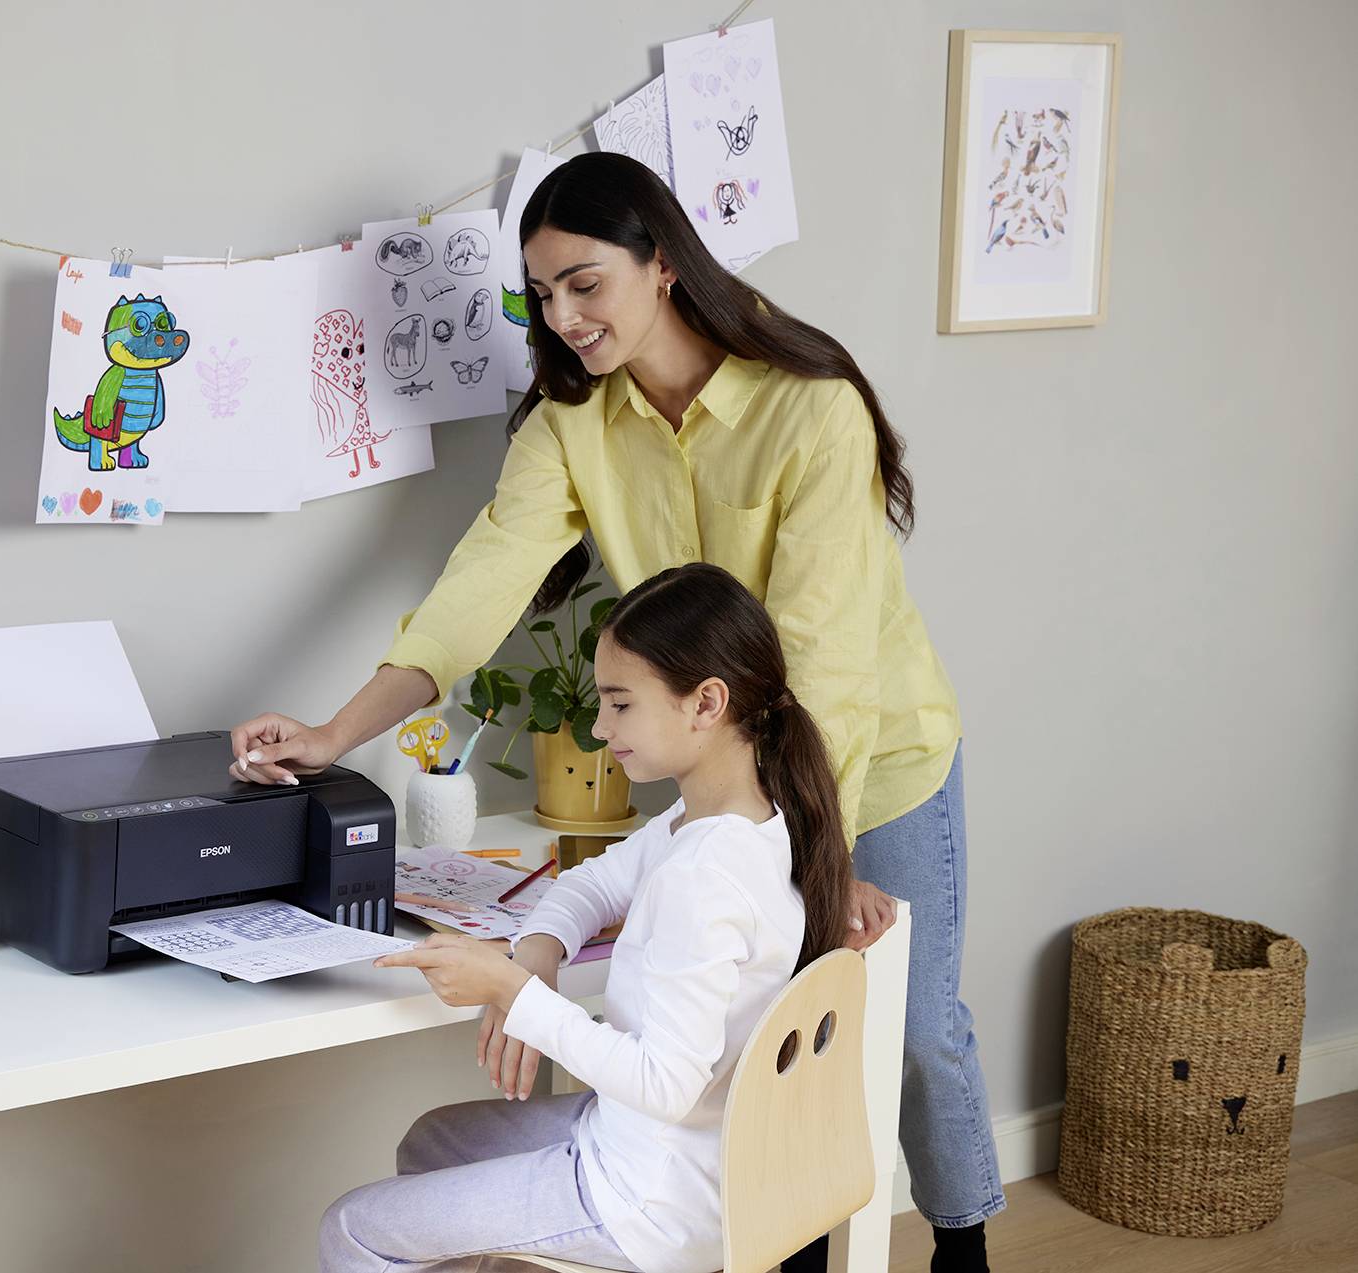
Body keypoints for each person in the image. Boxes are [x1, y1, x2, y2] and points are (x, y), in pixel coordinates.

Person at [236, 152, 998, 1272]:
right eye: (543, 295)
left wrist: (811, 859)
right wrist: (333, 734)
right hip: (728, 786)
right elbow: (477, 592)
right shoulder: (570, 422)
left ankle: (965, 1245)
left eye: (586, 283)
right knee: (754, 1061)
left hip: (868, 765)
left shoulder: (809, 410)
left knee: (910, 1032)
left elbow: (827, 669)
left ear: (664, 264)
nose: (565, 316)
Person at [321, 563, 848, 1272]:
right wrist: (537, 947)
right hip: (663, 1151)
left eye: (620, 704)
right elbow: (596, 879)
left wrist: (513, 992)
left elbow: (665, 1083)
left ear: (707, 702)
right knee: (431, 1142)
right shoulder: (737, 820)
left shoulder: (704, 876)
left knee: (352, 1226)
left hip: (647, 1196)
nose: (598, 727)